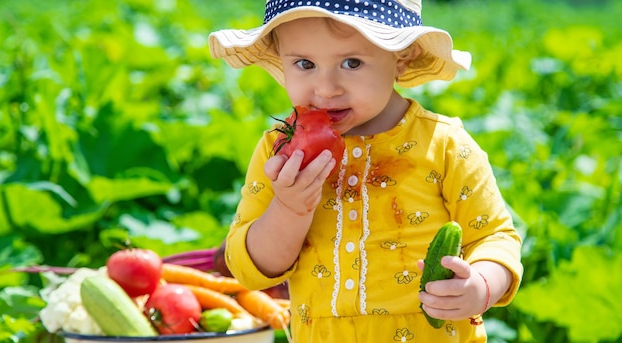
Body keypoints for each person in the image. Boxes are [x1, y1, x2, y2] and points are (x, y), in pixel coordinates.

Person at [208, 0, 523, 342]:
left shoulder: (444, 145)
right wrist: (288, 207)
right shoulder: (280, 150)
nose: (326, 88)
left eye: (352, 62)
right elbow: (251, 270)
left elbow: (494, 237)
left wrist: (482, 284)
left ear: (402, 56)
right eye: (304, 64)